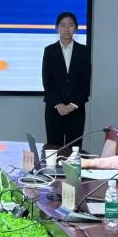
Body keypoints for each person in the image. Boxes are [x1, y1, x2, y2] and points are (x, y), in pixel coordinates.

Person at [41, 12, 91, 148]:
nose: (67, 29)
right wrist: (59, 105)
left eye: (70, 25)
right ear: (57, 28)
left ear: (76, 28)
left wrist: (72, 106)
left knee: (74, 150)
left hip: (76, 110)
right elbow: (47, 81)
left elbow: (85, 81)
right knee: (53, 149)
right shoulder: (49, 51)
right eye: (63, 25)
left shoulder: (84, 51)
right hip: (54, 109)